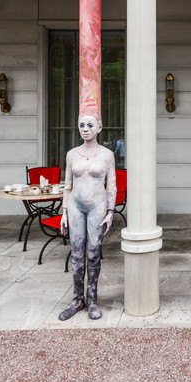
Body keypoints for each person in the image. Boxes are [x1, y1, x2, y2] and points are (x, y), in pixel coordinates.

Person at [58, 114, 117, 321]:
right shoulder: (72, 154)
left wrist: (111, 212)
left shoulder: (107, 155)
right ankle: (77, 299)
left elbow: (111, 186)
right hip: (75, 206)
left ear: (99, 128)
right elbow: (67, 185)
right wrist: (64, 212)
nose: (85, 128)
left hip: (97, 207)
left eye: (90, 125)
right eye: (82, 125)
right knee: (76, 253)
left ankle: (92, 299)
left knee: (93, 252)